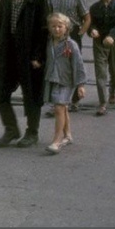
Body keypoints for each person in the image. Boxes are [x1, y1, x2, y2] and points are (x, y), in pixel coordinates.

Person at [0, 0, 50, 148]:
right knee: (0, 93)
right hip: (7, 50)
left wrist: (38, 56)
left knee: (31, 94)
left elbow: (43, 30)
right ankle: (11, 129)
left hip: (29, 54)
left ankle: (32, 132)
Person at [45, 0, 91, 113]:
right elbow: (49, 16)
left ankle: (75, 100)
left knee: (74, 66)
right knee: (57, 68)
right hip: (56, 36)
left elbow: (87, 18)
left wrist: (80, 33)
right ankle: (58, 102)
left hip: (73, 36)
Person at [43, 13, 87, 155]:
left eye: (60, 26)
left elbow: (79, 65)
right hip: (53, 78)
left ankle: (57, 140)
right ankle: (67, 135)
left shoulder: (71, 44)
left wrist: (81, 85)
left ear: (66, 28)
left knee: (58, 108)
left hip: (67, 80)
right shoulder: (49, 42)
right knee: (63, 108)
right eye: (53, 26)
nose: (57, 29)